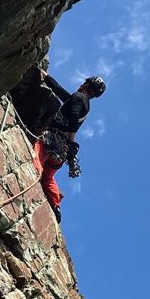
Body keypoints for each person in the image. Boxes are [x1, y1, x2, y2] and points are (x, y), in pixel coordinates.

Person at [33, 72, 106, 219]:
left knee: (35, 163)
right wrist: (45, 76)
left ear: (86, 84)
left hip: (50, 140)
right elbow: (59, 91)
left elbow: (73, 120)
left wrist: (71, 141)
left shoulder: (78, 98)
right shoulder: (83, 102)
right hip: (60, 153)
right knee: (47, 177)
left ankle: (30, 183)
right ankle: (55, 205)